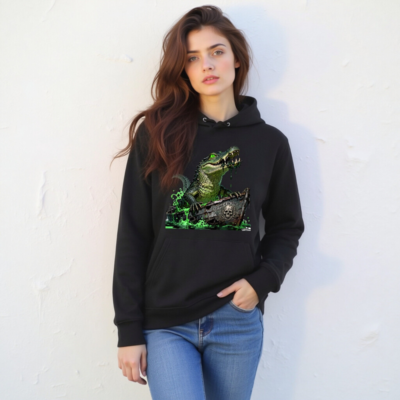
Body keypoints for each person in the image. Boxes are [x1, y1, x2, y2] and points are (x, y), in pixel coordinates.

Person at [111, 5, 305, 400]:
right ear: (183, 70)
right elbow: (133, 233)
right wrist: (128, 329)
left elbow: (287, 226)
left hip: (236, 319)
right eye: (193, 58)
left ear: (236, 57)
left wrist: (262, 282)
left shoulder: (270, 143)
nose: (207, 65)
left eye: (217, 51)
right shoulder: (158, 135)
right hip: (166, 323)